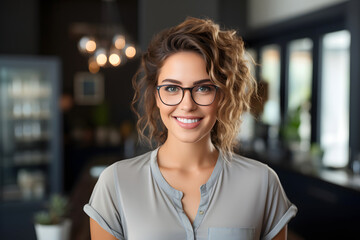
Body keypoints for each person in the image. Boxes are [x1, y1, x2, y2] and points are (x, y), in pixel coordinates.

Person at [84, 17, 297, 240]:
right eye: (172, 88)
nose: (187, 104)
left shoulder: (262, 183)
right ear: (156, 96)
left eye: (203, 88)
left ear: (222, 96)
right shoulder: (115, 183)